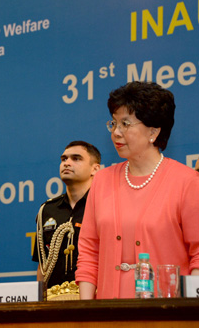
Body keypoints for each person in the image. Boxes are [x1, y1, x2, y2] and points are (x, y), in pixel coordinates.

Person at [76, 81, 199, 299]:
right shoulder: (102, 180)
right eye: (114, 124)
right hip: (106, 314)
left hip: (167, 315)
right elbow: (89, 252)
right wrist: (86, 313)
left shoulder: (187, 182)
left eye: (126, 124)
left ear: (153, 131)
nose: (116, 132)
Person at [33, 141, 101, 296]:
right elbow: (42, 265)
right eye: (64, 159)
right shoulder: (47, 209)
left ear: (95, 169)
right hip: (53, 300)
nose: (67, 163)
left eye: (76, 159)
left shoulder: (105, 205)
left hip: (95, 297)